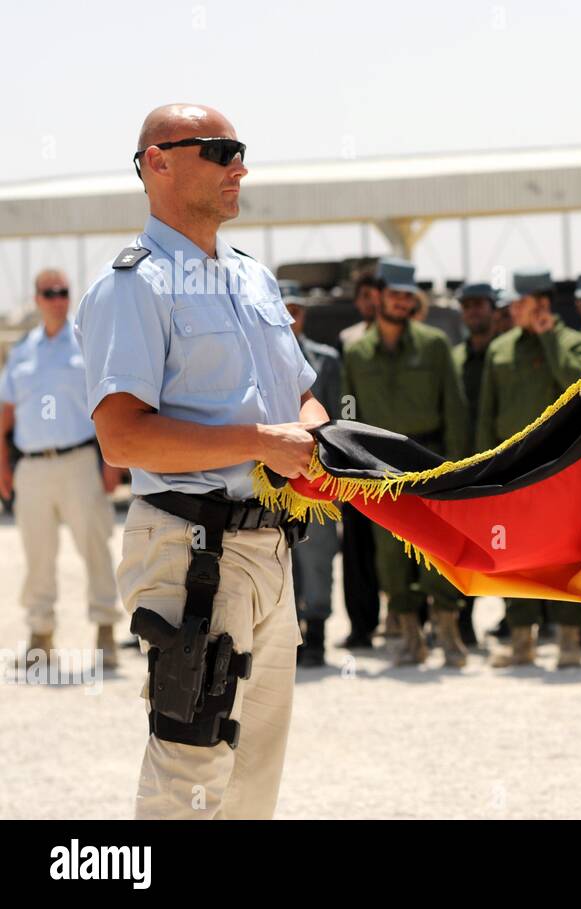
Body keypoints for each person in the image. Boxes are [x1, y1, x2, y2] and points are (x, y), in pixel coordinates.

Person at [75, 103, 322, 819]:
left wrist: (317, 441)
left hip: (272, 545)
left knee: (252, 783)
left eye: (239, 150)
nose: (237, 165)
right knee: (190, 777)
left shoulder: (254, 279)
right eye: (219, 150)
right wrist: (258, 441)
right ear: (158, 162)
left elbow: (301, 396)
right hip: (194, 552)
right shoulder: (134, 284)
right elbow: (123, 437)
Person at [341, 257, 470, 667]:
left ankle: (447, 629)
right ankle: (409, 634)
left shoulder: (433, 344)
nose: (400, 303)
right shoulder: (357, 353)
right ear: (378, 297)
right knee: (391, 553)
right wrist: (350, 466)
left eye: (406, 296)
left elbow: (455, 407)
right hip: (380, 467)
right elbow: (348, 411)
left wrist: (456, 469)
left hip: (430, 460)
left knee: (438, 546)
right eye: (394, 295)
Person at [0, 269, 122, 667]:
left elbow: (108, 405)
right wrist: (3, 464)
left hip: (79, 461)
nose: (56, 298)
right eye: (49, 293)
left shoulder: (86, 344)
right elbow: (6, 412)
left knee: (94, 546)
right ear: (36, 299)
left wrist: (111, 463)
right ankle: (40, 636)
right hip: (32, 467)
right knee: (37, 553)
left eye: (63, 292)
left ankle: (105, 631)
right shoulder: (21, 353)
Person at [477, 268, 581, 668]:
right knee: (515, 554)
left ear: (541, 303)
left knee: (563, 555)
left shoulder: (572, 342)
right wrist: (483, 469)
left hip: (561, 468)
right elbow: (486, 415)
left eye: (519, 302)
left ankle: (569, 640)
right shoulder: (500, 349)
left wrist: (549, 339)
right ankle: (522, 641)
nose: (511, 309)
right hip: (512, 469)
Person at [282, 284, 342, 668]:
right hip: (275, 475)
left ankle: (317, 631)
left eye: (296, 311)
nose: (290, 319)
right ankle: (292, 633)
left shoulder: (327, 360)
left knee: (318, 553)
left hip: (319, 473)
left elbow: (343, 412)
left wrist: (343, 468)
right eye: (283, 311)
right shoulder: (260, 358)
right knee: (283, 555)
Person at [451, 281, 500, 648]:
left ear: (493, 309)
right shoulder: (453, 359)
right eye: (467, 306)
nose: (474, 312)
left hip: (506, 462)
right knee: (467, 547)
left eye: (480, 304)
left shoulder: (505, 354)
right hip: (464, 464)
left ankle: (520, 620)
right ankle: (463, 619)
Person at [336, 270, 384, 649]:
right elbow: (346, 401)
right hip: (362, 457)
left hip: (397, 453)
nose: (371, 302)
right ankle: (362, 624)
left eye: (376, 295)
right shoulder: (350, 341)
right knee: (357, 547)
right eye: (365, 296)